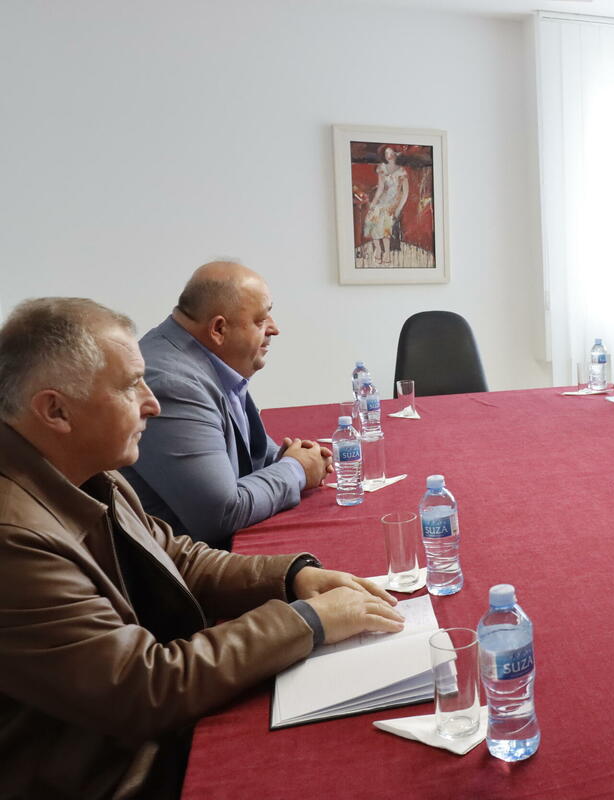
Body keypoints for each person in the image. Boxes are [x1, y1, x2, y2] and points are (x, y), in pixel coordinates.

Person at [0, 298, 405, 798]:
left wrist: (292, 577)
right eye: (130, 386)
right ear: (55, 410)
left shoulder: (82, 467)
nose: (152, 403)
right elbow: (142, 688)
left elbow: (176, 555)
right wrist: (307, 621)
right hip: (110, 774)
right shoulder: (14, 540)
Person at [120, 261, 331, 548]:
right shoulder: (172, 384)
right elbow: (220, 513)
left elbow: (247, 453)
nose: (274, 329)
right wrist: (295, 470)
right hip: (185, 563)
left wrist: (288, 458)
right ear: (219, 329)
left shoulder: (201, 357)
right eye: (260, 321)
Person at [362, 145, 410, 267]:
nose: (388, 156)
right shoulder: (382, 168)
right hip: (383, 200)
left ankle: (387, 253)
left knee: (384, 222)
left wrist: (398, 208)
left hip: (394, 201)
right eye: (386, 153)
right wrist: (373, 203)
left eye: (391, 152)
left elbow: (405, 193)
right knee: (371, 217)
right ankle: (378, 249)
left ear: (396, 154)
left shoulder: (402, 171)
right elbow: (381, 188)